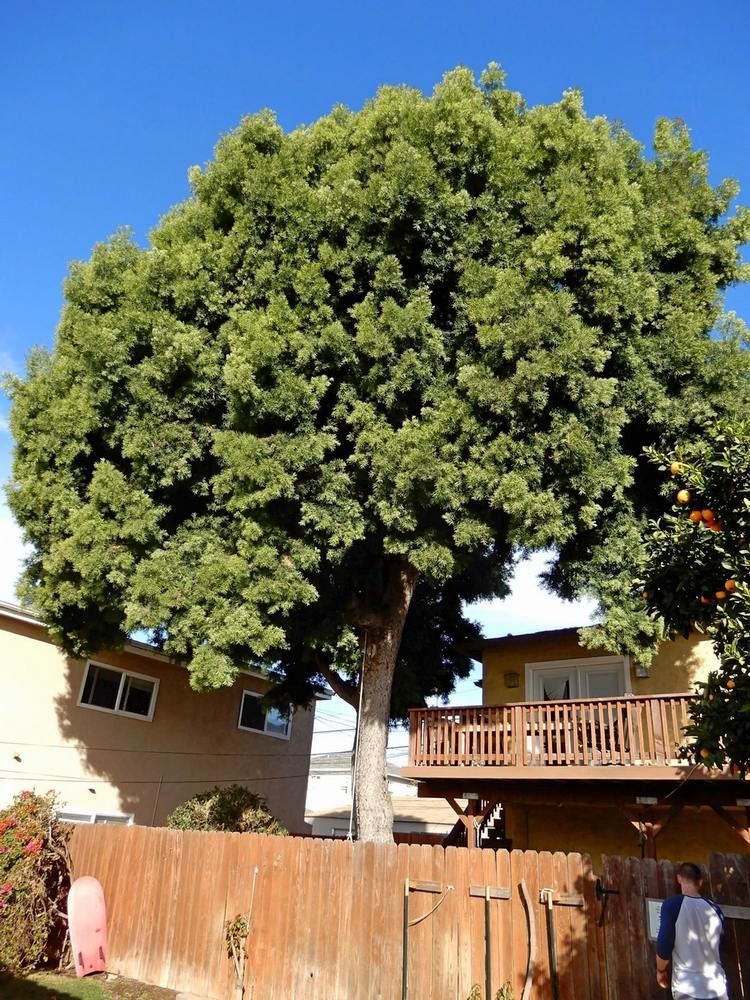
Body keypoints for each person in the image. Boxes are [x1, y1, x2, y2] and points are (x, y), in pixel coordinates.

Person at [655, 861, 728, 999]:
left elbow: (664, 944)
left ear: (679, 879)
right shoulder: (715, 909)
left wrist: (660, 971)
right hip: (718, 988)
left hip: (687, 989)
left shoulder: (672, 905)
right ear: (700, 882)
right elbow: (721, 943)